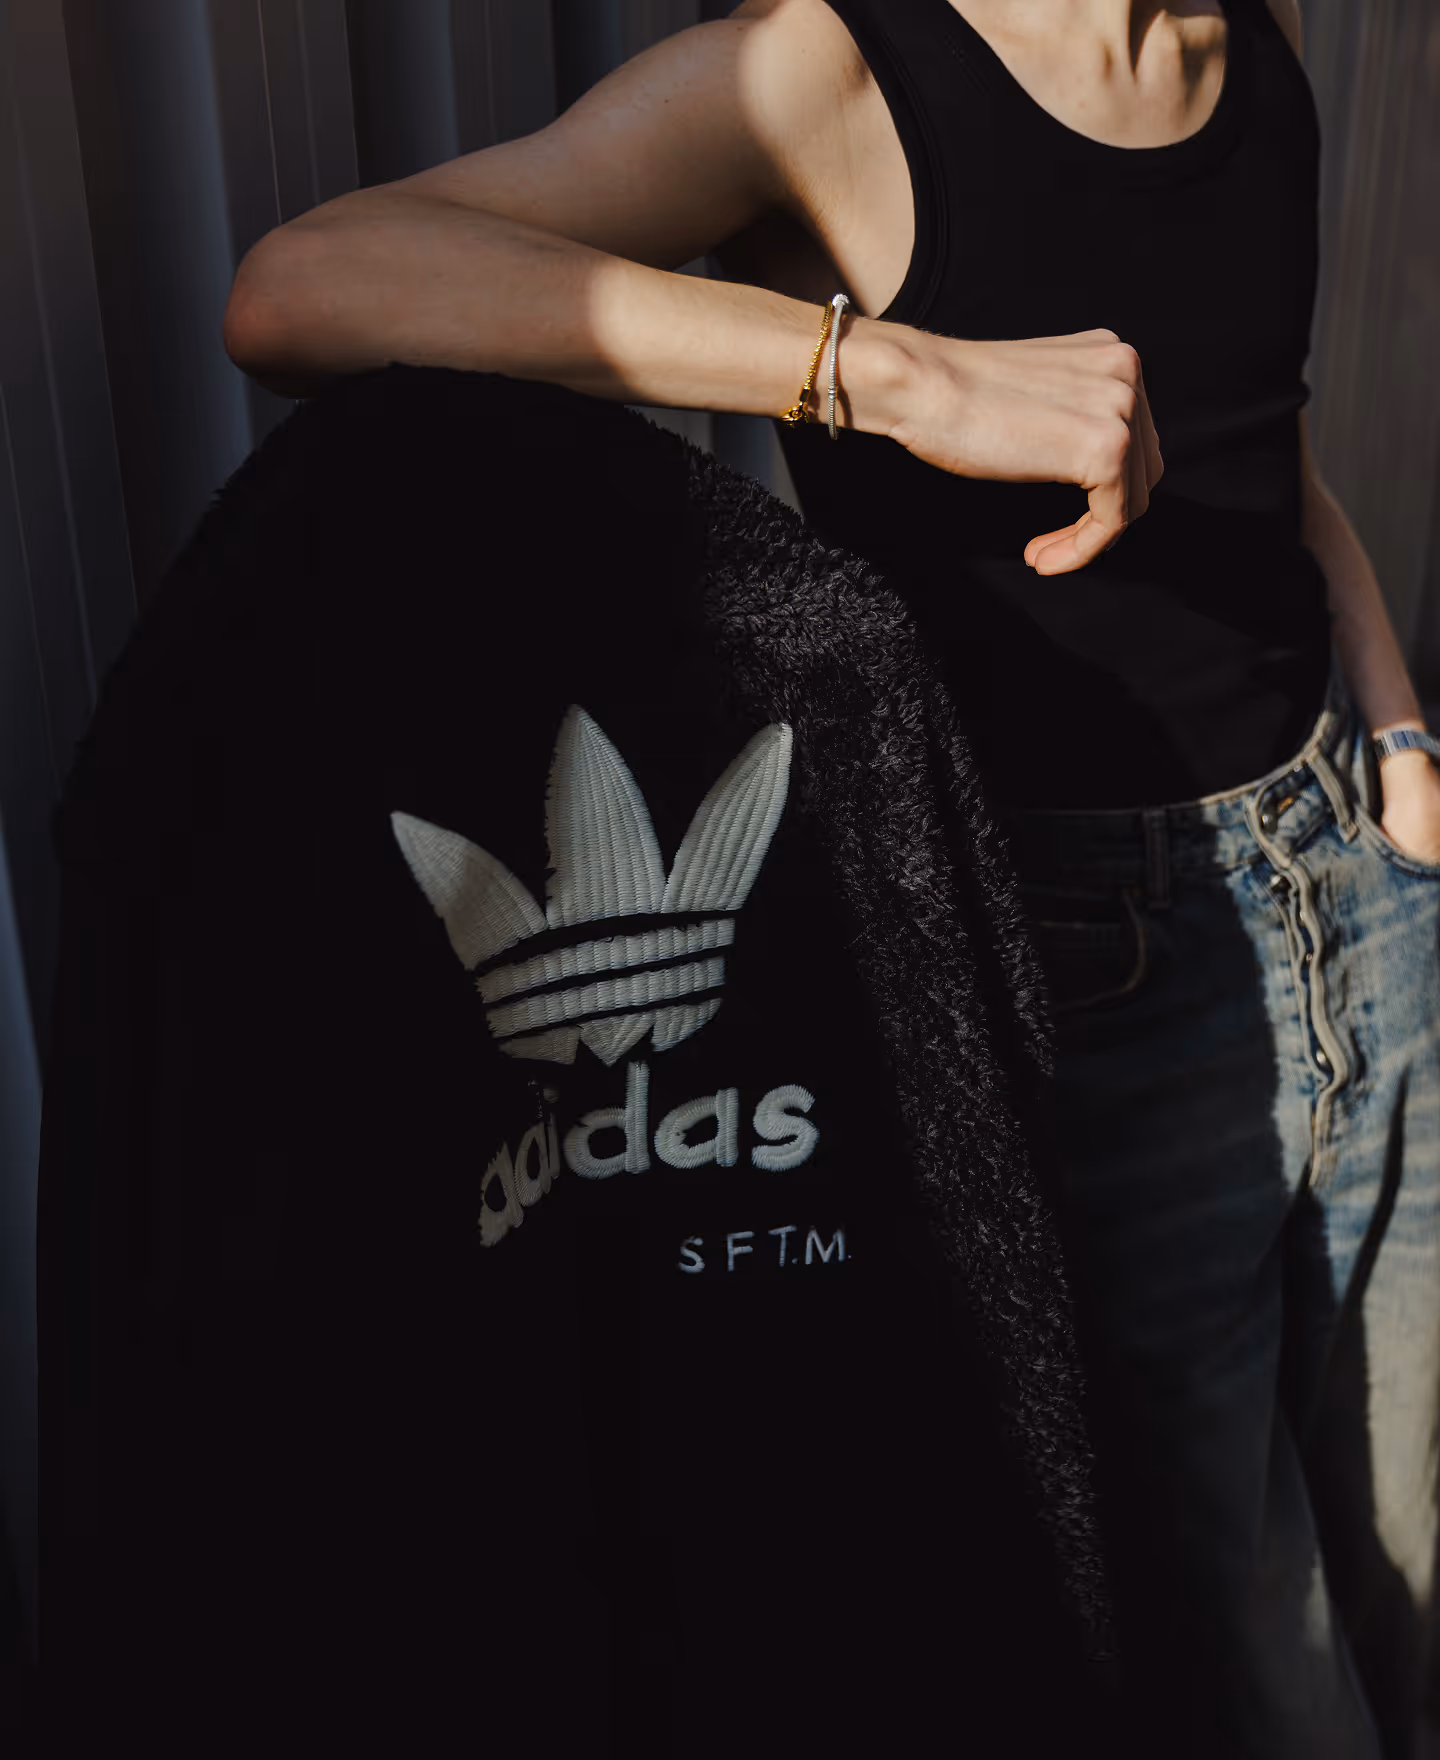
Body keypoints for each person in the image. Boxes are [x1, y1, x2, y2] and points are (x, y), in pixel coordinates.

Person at [223, 3, 1440, 1755]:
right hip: (1098, 973)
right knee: (1256, 1657)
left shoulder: (1258, 48)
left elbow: (1275, 447)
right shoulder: (830, 69)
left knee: (1416, 1553)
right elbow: (305, 288)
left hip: (1360, 874)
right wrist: (899, 372)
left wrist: (1400, 742)